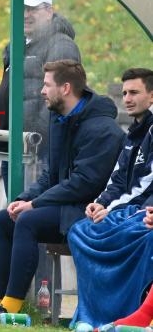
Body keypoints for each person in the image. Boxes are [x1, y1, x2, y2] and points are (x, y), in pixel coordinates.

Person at [0, 60, 124, 316]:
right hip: (64, 206)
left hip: (90, 210)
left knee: (28, 220)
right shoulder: (60, 119)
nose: (42, 91)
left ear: (65, 88)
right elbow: (50, 175)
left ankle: (10, 309)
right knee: (2, 219)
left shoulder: (102, 129)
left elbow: (84, 183)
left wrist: (34, 205)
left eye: (47, 85)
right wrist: (24, 198)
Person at [67, 68, 153, 327]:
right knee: (78, 231)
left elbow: (145, 183)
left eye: (134, 92)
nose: (127, 98)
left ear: (152, 96)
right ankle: (90, 314)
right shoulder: (133, 133)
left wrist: (111, 208)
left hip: (140, 210)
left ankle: (130, 315)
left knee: (139, 235)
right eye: (125, 92)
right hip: (125, 208)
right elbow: (116, 178)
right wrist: (101, 203)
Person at [0, 0, 81, 194]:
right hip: (13, 145)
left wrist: (36, 139)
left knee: (28, 212)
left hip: (38, 150)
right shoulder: (16, 44)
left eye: (32, 9)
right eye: (21, 9)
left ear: (49, 11)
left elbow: (61, 99)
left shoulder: (61, 45)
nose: (26, 15)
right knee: (13, 211)